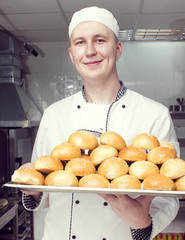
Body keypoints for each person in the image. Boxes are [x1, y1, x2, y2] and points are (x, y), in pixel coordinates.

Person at [22, 6, 180, 240]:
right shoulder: (54, 114)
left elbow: (169, 193)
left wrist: (142, 224)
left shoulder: (154, 114)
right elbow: (45, 189)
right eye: (80, 43)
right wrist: (31, 192)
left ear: (117, 49)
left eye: (99, 40)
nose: (90, 51)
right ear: (71, 54)